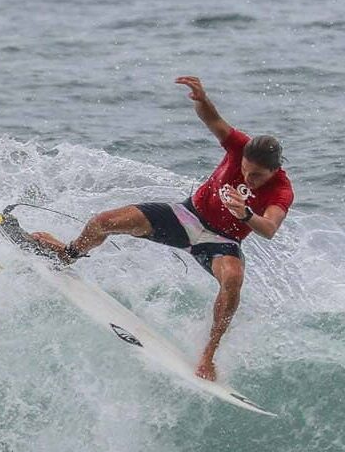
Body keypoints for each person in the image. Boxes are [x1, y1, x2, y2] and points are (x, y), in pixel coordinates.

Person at [32, 76, 294, 381]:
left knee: (233, 279)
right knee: (104, 221)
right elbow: (213, 120)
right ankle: (68, 253)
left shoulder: (281, 190)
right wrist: (201, 99)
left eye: (258, 177)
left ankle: (208, 355)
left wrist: (247, 214)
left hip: (222, 242)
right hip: (187, 217)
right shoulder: (238, 147)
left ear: (275, 171)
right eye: (246, 172)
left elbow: (270, 228)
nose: (249, 180)